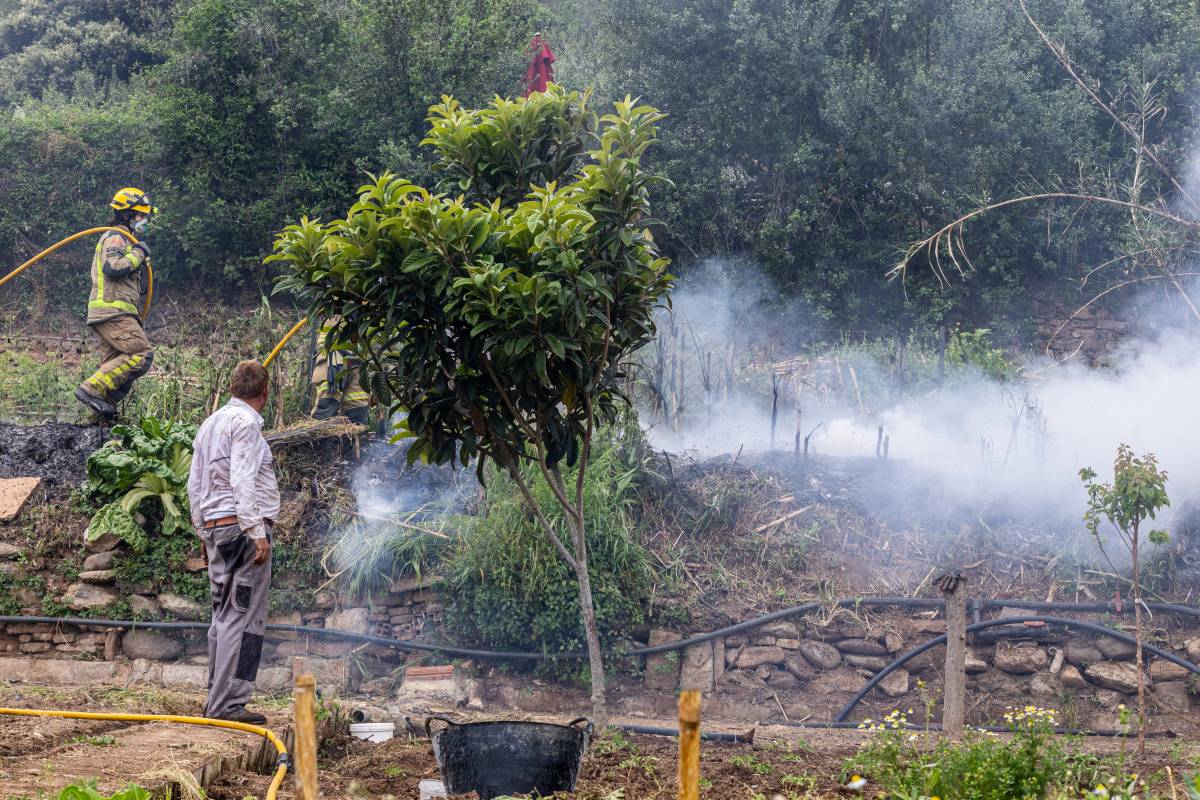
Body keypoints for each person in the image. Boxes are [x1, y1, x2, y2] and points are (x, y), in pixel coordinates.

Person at [187, 360, 278, 724]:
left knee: (223, 615)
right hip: (240, 530)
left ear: (231, 388)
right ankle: (227, 704)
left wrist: (202, 530)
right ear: (265, 393)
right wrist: (256, 531)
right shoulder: (246, 425)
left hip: (216, 529)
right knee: (243, 616)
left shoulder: (210, 424)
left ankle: (217, 697)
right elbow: (242, 480)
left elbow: (194, 484)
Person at [75, 187, 158, 420]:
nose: (144, 220)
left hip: (113, 311)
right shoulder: (117, 237)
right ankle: (90, 389)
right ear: (128, 214)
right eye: (141, 215)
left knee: (114, 364)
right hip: (113, 311)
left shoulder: (125, 238)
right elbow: (112, 267)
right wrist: (138, 254)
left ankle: (103, 416)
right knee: (140, 354)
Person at [310, 315, 371, 425]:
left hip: (358, 359)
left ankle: (357, 437)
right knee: (327, 405)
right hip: (333, 355)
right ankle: (317, 436)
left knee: (359, 412)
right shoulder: (333, 311)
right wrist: (331, 351)